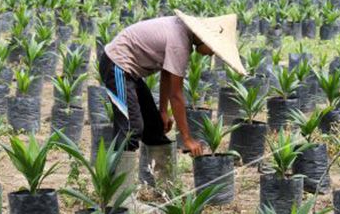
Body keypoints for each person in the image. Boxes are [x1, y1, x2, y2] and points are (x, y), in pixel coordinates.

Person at [100, 10, 246, 157]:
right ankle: (117, 178)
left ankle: (162, 178)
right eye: (213, 50)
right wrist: (187, 138)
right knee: (131, 129)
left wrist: (163, 111)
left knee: (155, 127)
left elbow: (167, 74)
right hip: (116, 66)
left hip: (129, 72)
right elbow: (176, 95)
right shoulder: (180, 44)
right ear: (206, 39)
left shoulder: (183, 34)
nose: (211, 54)